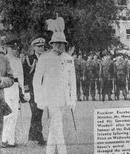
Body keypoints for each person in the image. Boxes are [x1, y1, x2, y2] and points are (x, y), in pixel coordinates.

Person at [33, 16, 77, 154]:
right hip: (50, 98)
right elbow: (36, 80)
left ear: (65, 44)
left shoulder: (69, 59)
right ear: (52, 44)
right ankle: (63, 151)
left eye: (62, 43)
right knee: (58, 125)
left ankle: (50, 152)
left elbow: (72, 81)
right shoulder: (45, 58)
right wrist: (39, 99)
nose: (59, 46)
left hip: (63, 99)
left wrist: (73, 99)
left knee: (54, 126)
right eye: (56, 43)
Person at [1, 43, 28, 147]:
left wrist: (24, 92)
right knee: (8, 114)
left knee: (15, 114)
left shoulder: (17, 61)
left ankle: (11, 140)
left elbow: (21, 77)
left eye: (16, 48)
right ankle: (4, 139)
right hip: (5, 87)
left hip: (15, 87)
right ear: (8, 48)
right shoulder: (2, 60)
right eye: (13, 48)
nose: (16, 50)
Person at [24, 37, 46, 145]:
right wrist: (26, 91)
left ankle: (33, 136)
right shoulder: (29, 59)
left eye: (42, 46)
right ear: (34, 47)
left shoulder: (45, 58)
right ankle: (39, 137)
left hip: (42, 90)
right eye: (38, 46)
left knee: (39, 112)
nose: (41, 48)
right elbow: (25, 77)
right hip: (32, 91)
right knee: (35, 113)